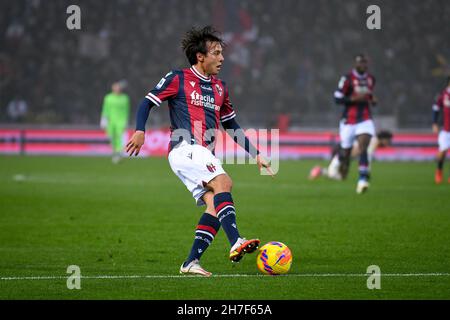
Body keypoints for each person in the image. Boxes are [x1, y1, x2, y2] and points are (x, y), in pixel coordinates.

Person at [125, 26, 273, 277]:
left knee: (214, 204)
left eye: (222, 53)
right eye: (216, 52)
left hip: (203, 152)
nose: (222, 58)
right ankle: (236, 241)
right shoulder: (177, 78)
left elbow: (231, 125)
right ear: (200, 57)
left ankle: (191, 262)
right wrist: (140, 130)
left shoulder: (220, 88)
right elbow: (147, 102)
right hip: (185, 148)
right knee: (224, 181)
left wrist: (255, 153)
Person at [332, 54, 378, 193]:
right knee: (346, 153)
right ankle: (341, 168)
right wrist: (352, 99)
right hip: (349, 121)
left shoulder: (371, 79)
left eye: (365, 62)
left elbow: (369, 96)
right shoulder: (347, 79)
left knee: (364, 146)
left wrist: (373, 100)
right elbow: (337, 98)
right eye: (360, 62)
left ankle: (363, 179)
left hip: (365, 118)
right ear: (355, 64)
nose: (363, 65)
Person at [309, 130, 393, 181]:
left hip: (345, 156)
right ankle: (320, 171)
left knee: (342, 177)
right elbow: (367, 157)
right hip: (341, 154)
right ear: (383, 138)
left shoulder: (372, 139)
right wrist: (366, 171)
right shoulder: (373, 141)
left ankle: (320, 171)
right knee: (335, 174)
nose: (389, 143)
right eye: (388, 140)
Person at [100, 81, 130, 164]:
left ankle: (118, 153)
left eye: (118, 87)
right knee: (112, 137)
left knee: (119, 136)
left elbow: (126, 110)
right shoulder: (108, 98)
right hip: (110, 121)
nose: (117, 89)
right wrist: (103, 119)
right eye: (115, 87)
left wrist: (126, 120)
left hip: (121, 121)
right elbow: (105, 109)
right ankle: (114, 152)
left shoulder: (125, 98)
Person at [432, 76, 450, 184]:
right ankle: (439, 171)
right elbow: (436, 108)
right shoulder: (443, 95)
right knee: (443, 152)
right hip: (446, 129)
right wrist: (434, 123)